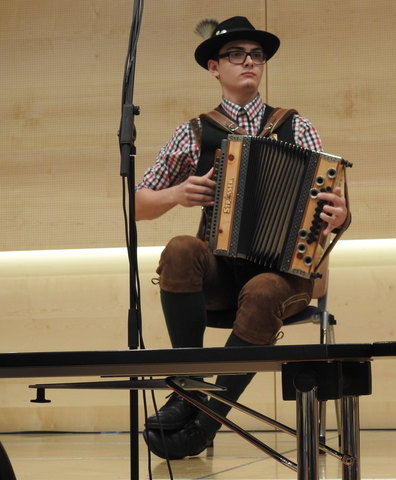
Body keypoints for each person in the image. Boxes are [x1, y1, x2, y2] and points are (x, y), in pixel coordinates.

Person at [136, 16, 350, 459]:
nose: (249, 62)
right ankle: (187, 387)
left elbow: (335, 210)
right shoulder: (195, 132)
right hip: (220, 275)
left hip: (284, 276)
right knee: (180, 249)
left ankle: (208, 417)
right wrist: (176, 194)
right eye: (237, 54)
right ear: (214, 67)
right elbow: (135, 205)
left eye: (256, 55)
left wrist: (340, 214)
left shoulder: (297, 127)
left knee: (263, 288)